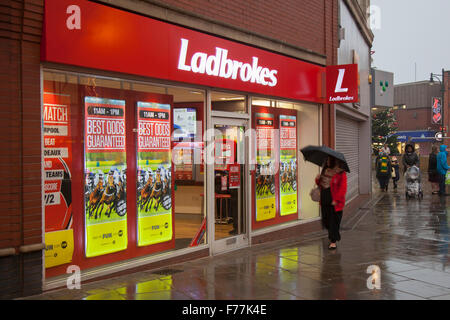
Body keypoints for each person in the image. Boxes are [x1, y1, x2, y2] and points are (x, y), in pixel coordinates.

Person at [315, 156, 347, 250]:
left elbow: (343, 188)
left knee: (334, 222)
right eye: (327, 160)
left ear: (334, 161)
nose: (328, 162)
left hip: (335, 201)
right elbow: (320, 184)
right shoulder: (325, 170)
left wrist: (336, 200)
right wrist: (317, 179)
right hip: (325, 198)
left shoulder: (341, 173)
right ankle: (332, 234)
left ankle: (333, 241)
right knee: (326, 221)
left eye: (329, 160)